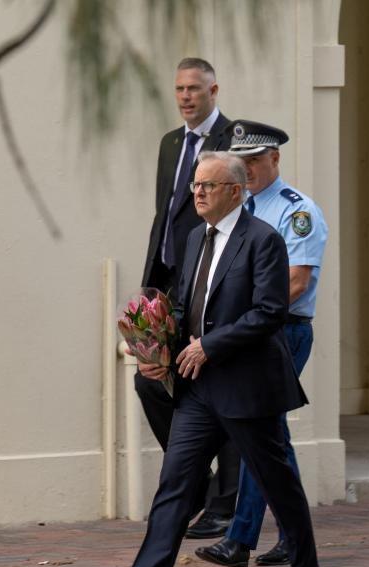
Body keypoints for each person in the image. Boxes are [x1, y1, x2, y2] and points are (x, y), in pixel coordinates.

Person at [91, 152, 328, 567]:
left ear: (235, 192)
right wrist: (160, 348)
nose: (197, 193)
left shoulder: (264, 240)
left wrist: (209, 346)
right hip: (198, 388)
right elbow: (184, 305)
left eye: (208, 186)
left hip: (248, 386)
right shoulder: (195, 238)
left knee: (279, 485)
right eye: (196, 185)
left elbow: (270, 312)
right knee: (175, 484)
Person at [195, 120, 328, 567]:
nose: (247, 169)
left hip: (281, 330)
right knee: (271, 438)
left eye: (255, 160)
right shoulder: (235, 209)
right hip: (244, 335)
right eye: (242, 162)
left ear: (275, 158)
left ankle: (242, 539)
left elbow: (296, 281)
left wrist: (235, 323)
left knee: (263, 434)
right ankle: (287, 535)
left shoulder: (296, 211)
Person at [136, 57, 240, 539]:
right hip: (170, 283)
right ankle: (198, 483)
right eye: (179, 89)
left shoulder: (233, 140)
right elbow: (166, 217)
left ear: (213, 90)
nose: (185, 97)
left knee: (220, 388)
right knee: (153, 382)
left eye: (194, 89)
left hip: (212, 280)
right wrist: (151, 288)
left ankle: (225, 505)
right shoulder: (169, 143)